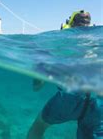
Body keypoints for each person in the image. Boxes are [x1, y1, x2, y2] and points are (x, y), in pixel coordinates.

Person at [28, 11, 102, 139]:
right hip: (98, 102)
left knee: (38, 127)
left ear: (69, 25)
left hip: (68, 98)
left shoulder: (60, 44)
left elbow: (37, 87)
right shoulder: (96, 45)